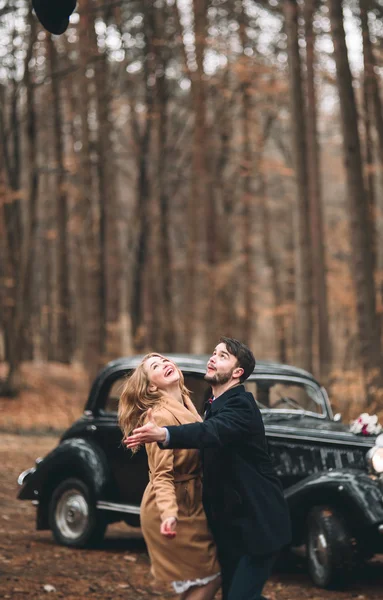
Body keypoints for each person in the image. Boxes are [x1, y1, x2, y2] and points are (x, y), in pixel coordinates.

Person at [125, 337, 292, 600]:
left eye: (223, 356)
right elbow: (165, 472)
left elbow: (210, 432)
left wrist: (164, 434)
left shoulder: (241, 405)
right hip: (225, 524)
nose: (213, 358)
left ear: (237, 373)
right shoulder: (211, 405)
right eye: (214, 353)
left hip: (258, 524)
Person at [118, 353, 221, 600]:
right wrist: (169, 514)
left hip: (192, 503)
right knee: (215, 572)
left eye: (166, 360)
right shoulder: (160, 416)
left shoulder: (186, 401)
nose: (166, 364)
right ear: (152, 385)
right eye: (156, 365)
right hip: (170, 508)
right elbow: (160, 475)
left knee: (199, 579)